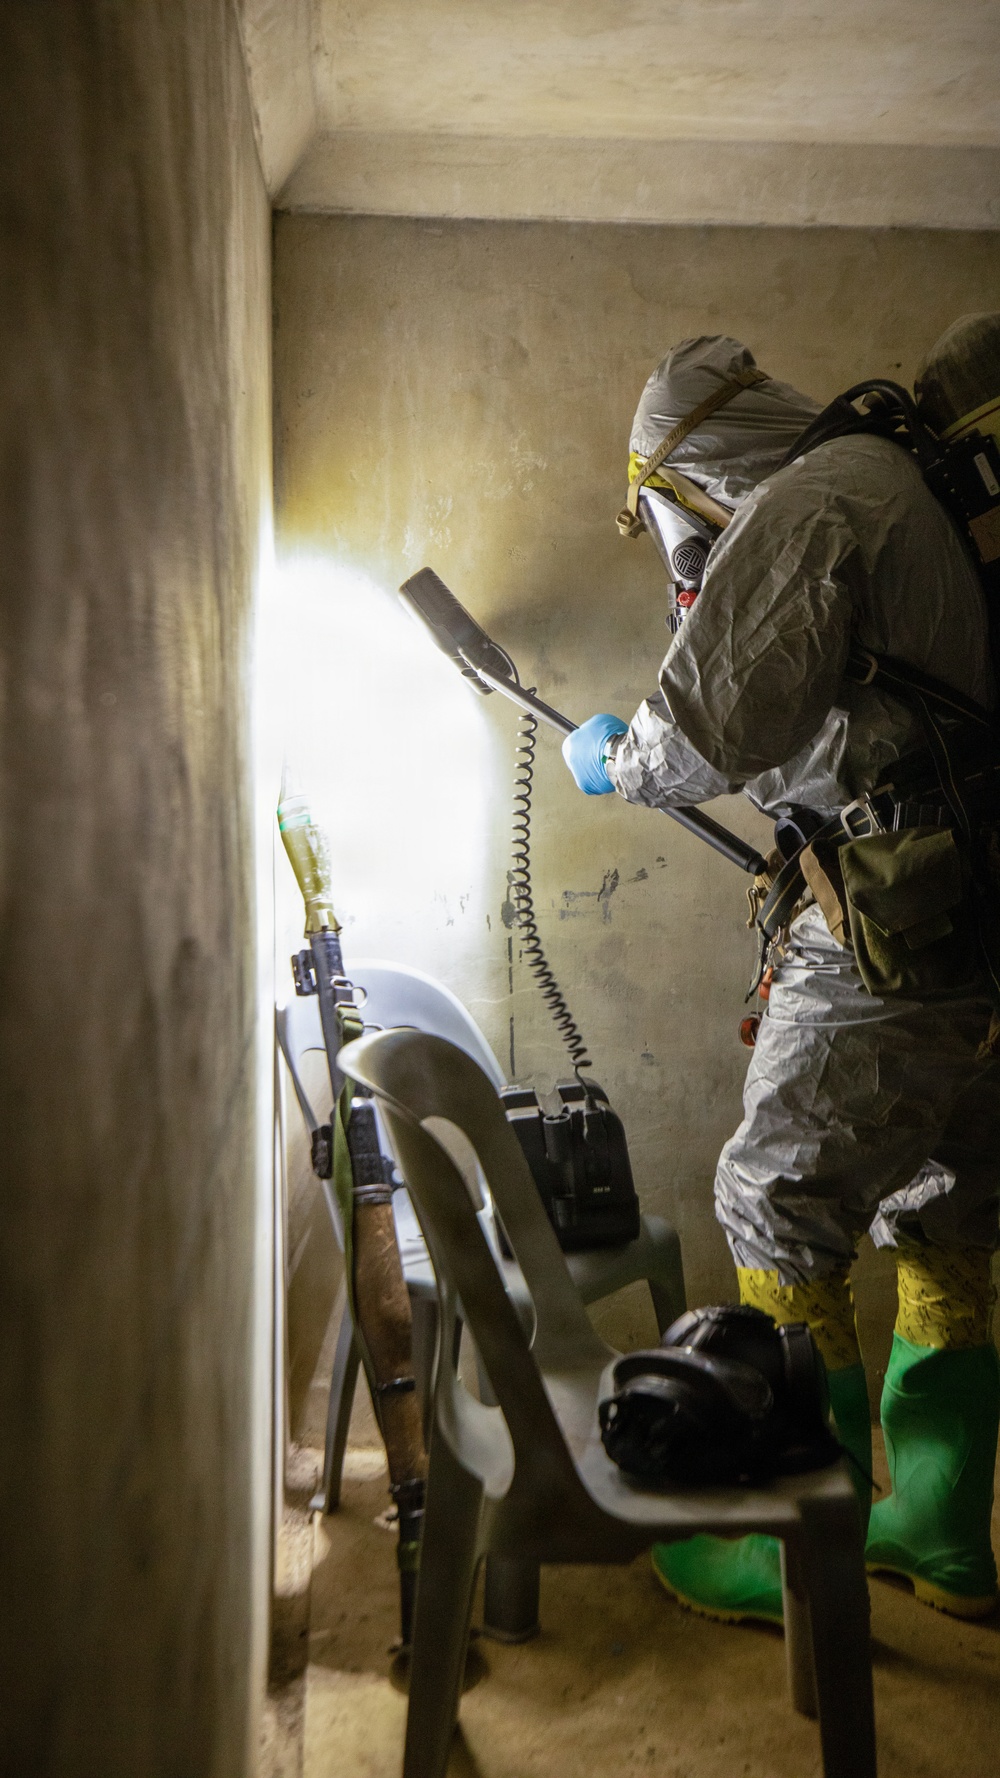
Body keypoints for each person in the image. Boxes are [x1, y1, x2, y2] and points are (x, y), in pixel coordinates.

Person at [563, 327, 1000, 1624]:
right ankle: (941, 1526)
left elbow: (694, 736)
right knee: (950, 1204)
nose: (680, 554)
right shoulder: (900, 473)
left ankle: (795, 1551)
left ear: (687, 472)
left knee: (774, 1201)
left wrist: (613, 758)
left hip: (891, 932)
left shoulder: (803, 508)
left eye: (667, 521)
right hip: (981, 930)